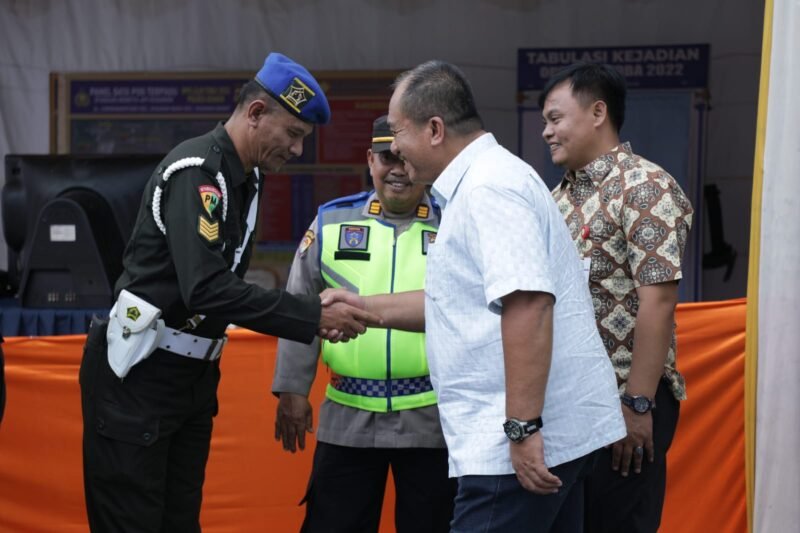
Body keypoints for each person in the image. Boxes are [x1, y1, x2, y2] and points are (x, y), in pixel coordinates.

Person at [79, 52, 378, 533]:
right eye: (293, 134)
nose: (298, 149)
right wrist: (311, 315)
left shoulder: (244, 177)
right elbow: (207, 289)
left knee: (180, 523)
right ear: (256, 112)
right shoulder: (198, 172)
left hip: (189, 379)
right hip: (141, 375)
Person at [324, 60, 626, 533]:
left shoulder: (489, 188)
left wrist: (522, 428)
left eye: (398, 132)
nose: (394, 148)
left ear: (435, 130)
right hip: (531, 438)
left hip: (516, 445)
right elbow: (455, 303)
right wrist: (361, 307)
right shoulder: (480, 183)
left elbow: (529, 304)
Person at [272, 115, 456, 533]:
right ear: (370, 159)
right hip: (347, 417)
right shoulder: (331, 221)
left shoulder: (453, 222)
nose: (397, 169)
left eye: (406, 158)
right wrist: (292, 389)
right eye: (387, 158)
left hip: (434, 420)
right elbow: (299, 306)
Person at [541, 63, 694, 533]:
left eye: (555, 118)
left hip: (625, 399)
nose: (547, 132)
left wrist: (638, 404)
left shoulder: (644, 186)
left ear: (597, 113)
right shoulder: (555, 200)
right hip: (567, 401)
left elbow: (658, 302)